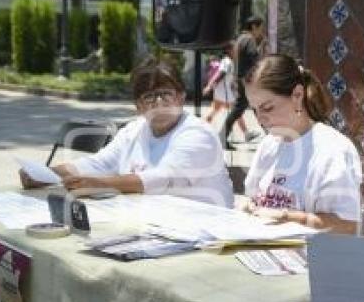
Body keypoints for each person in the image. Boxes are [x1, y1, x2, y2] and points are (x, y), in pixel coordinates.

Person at [19, 56, 233, 206]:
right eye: (149, 97)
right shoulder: (134, 130)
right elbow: (99, 164)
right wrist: (47, 175)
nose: (159, 102)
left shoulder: (197, 134)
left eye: (166, 94)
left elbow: (163, 179)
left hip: (205, 235)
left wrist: (101, 185)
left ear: (181, 97)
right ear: (138, 106)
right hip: (156, 226)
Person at [242, 54, 361, 234]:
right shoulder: (268, 144)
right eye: (254, 109)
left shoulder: (333, 150)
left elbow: (347, 226)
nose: (259, 119)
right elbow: (252, 198)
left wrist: (288, 218)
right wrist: (249, 207)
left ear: (297, 95)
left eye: (267, 108)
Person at [223, 15, 265, 150]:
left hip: (241, 79)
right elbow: (254, 58)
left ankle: (272, 136)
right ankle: (221, 137)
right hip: (247, 81)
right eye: (260, 28)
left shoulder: (240, 39)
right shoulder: (249, 39)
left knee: (250, 108)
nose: (261, 31)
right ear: (254, 27)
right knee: (255, 107)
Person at [203, 43, 250, 137]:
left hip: (222, 91)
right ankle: (247, 134)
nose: (237, 51)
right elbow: (220, 74)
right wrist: (210, 86)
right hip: (224, 92)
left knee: (215, 112)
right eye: (235, 49)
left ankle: (202, 129)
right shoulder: (227, 61)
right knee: (236, 112)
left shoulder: (229, 61)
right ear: (229, 50)